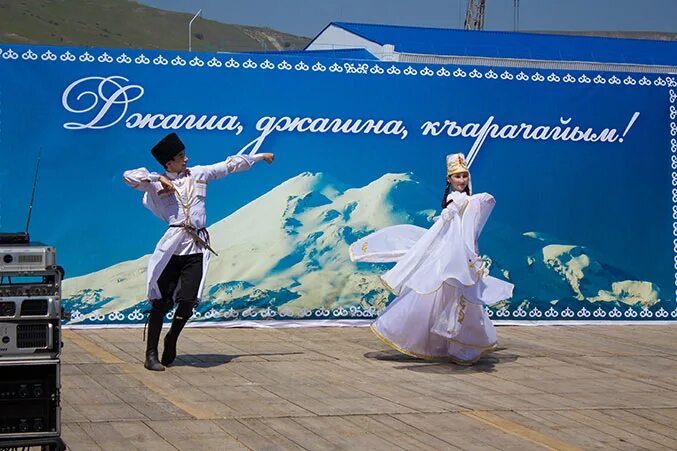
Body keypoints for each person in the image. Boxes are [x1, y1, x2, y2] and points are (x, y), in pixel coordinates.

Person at [123, 132, 274, 371]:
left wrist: (259, 156)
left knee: (189, 300)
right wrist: (157, 178)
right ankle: (150, 353)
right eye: (180, 156)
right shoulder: (154, 182)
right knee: (161, 303)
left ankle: (172, 337)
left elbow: (228, 166)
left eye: (184, 154)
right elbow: (129, 177)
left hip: (196, 245)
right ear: (168, 163)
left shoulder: (198, 174)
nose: (186, 159)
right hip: (173, 247)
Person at [349, 153, 513, 364]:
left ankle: (455, 346)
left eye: (464, 176)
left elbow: (470, 227)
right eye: (457, 177)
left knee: (456, 300)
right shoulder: (457, 200)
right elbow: (454, 226)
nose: (461, 180)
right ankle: (450, 345)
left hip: (461, 256)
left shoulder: (465, 201)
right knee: (443, 299)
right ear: (449, 180)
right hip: (452, 259)